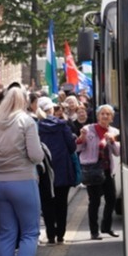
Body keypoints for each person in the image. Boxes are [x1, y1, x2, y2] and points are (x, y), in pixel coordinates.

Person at [0, 85, 46, 256]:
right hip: (22, 180)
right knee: (30, 233)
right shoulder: (26, 121)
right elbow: (36, 155)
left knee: (6, 234)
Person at [36, 95, 78, 244]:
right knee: (61, 203)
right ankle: (60, 234)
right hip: (62, 170)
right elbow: (72, 147)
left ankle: (51, 235)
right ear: (51, 109)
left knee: (47, 203)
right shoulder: (62, 126)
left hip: (45, 171)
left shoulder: (36, 127)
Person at [77, 105, 121, 240]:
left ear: (112, 118)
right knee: (95, 201)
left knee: (111, 199)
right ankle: (94, 231)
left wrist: (112, 141)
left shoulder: (114, 131)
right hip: (92, 170)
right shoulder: (88, 129)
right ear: (97, 116)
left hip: (107, 170)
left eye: (108, 114)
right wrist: (82, 137)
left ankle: (106, 227)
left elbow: (117, 152)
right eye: (102, 114)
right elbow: (78, 147)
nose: (105, 116)